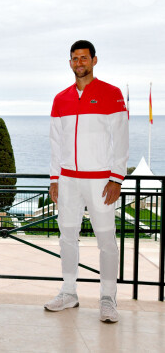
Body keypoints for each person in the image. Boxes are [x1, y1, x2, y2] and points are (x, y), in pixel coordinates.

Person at [45, 40, 129, 323]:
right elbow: (56, 144)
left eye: (84, 58)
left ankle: (107, 298)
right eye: (74, 58)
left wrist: (116, 178)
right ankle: (69, 292)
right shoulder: (60, 99)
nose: (79, 63)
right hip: (68, 181)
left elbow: (121, 140)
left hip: (100, 182)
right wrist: (54, 179)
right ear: (70, 63)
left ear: (94, 60)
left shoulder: (112, 94)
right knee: (67, 237)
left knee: (106, 240)